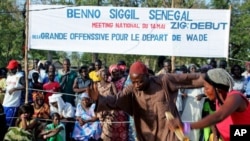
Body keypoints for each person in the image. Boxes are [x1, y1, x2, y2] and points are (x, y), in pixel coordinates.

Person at [89, 61, 204, 141]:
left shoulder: (163, 81)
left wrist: (211, 79)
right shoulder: (132, 89)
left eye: (139, 81)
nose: (137, 85)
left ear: (147, 76)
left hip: (168, 135)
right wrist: (99, 99)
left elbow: (191, 79)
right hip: (146, 136)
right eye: (133, 81)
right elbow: (116, 100)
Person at [169, 68, 250, 141]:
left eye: (206, 88)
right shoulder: (219, 101)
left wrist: (186, 126)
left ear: (217, 88)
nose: (204, 91)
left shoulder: (235, 97)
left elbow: (219, 116)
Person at [3, 60, 25, 127]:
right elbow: (8, 87)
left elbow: (24, 87)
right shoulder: (8, 76)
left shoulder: (20, 76)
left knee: (9, 124)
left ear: (16, 68)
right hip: (5, 103)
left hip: (13, 104)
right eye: (9, 69)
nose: (10, 70)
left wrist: (14, 89)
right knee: (4, 122)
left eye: (12, 69)